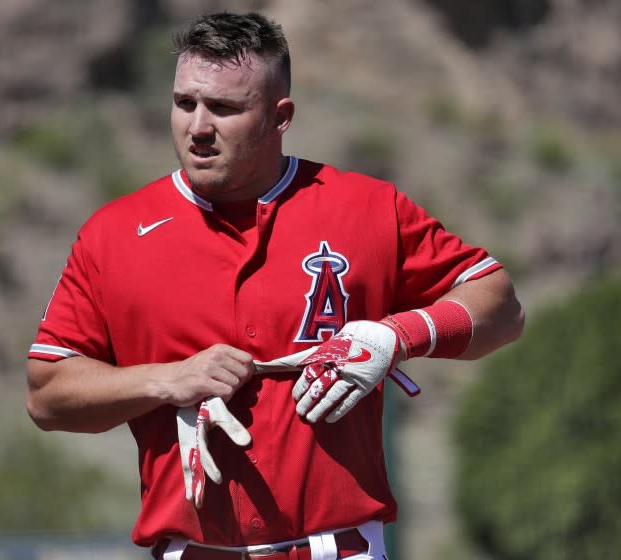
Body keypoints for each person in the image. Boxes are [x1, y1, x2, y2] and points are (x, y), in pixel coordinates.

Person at [26, 11, 524, 560]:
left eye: (225, 108)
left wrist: (396, 337)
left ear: (279, 116)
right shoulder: (113, 234)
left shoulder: (365, 209)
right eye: (184, 102)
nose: (197, 127)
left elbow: (500, 306)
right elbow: (48, 395)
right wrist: (168, 380)